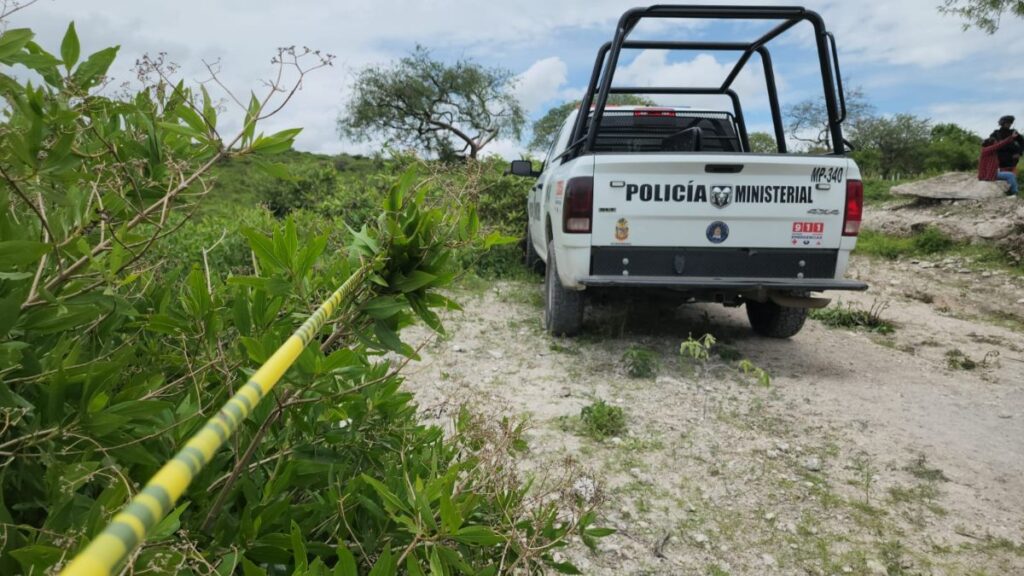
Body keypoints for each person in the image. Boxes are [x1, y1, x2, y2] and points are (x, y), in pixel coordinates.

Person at [978, 132, 1020, 197]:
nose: (996, 143)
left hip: (989, 174)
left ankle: (1010, 191)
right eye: (995, 142)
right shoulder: (986, 150)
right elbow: (999, 145)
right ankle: (1014, 193)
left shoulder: (989, 151)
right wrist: (1011, 137)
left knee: (1009, 174)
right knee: (1010, 175)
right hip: (987, 175)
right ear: (991, 144)